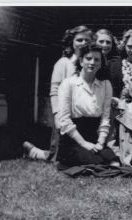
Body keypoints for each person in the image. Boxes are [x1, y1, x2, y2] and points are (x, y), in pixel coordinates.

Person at [23, 25, 92, 161]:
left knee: (79, 152)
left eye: (87, 40)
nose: (83, 43)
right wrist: (56, 114)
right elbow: (54, 91)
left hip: (83, 114)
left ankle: (33, 151)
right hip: (65, 113)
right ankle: (33, 151)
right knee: (58, 155)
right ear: (71, 42)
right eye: (79, 40)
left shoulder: (91, 63)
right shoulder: (63, 63)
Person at [56, 43, 119, 169]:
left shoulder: (105, 85)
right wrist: (84, 143)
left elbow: (105, 117)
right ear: (81, 61)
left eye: (97, 60)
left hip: (94, 136)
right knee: (98, 165)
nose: (92, 62)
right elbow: (64, 119)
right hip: (73, 137)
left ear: (101, 64)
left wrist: (100, 142)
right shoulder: (68, 84)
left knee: (115, 163)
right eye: (88, 58)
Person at [94, 29, 122, 97]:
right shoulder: (90, 60)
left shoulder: (117, 62)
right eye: (101, 41)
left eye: (108, 42)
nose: (105, 45)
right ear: (95, 42)